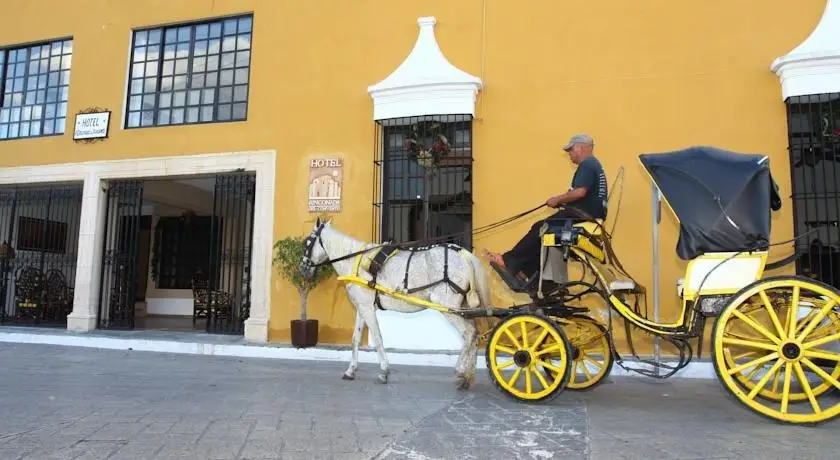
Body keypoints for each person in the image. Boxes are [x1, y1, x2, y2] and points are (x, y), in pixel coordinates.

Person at [484, 133, 608, 279]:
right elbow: (585, 194)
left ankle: (509, 262)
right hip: (588, 213)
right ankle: (526, 274)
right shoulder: (594, 164)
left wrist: (557, 199)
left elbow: (580, 192)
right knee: (546, 237)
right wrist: (564, 201)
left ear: (581, 148)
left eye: (571, 150)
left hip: (581, 214)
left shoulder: (587, 164)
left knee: (540, 228)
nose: (569, 154)